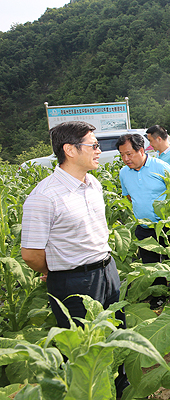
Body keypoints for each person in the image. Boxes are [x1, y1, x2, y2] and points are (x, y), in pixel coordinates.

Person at [21, 121, 129, 397]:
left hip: (107, 270)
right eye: (93, 145)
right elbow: (31, 254)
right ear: (69, 150)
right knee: (82, 352)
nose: (98, 150)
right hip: (74, 282)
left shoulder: (92, 183)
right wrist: (57, 269)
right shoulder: (44, 196)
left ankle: (120, 389)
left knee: (116, 337)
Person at [117, 133, 170, 264]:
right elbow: (129, 196)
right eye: (122, 155)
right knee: (151, 268)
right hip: (144, 228)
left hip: (167, 228)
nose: (125, 159)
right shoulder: (124, 173)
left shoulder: (160, 166)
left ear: (141, 150)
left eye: (129, 154)